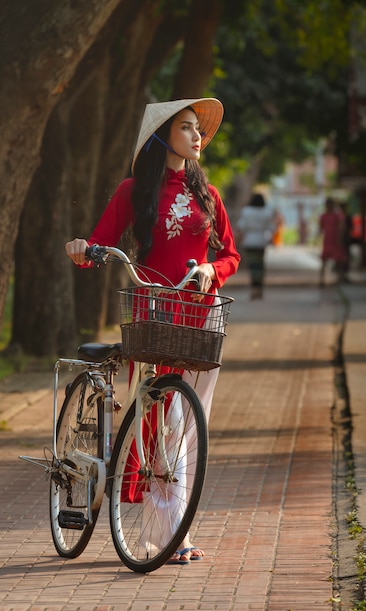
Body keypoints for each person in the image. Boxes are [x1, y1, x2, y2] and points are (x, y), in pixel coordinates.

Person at [65, 97, 240, 563]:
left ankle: (174, 531)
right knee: (162, 420)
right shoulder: (133, 191)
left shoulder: (209, 194)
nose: (198, 136)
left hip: (198, 319)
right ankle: (169, 538)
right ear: (163, 136)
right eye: (187, 128)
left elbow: (231, 255)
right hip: (153, 315)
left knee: (187, 428)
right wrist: (83, 247)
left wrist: (210, 270)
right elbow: (99, 244)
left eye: (198, 129)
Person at [236, 192, 276, 300]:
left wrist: (238, 240)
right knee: (260, 265)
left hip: (249, 241)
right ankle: (260, 289)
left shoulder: (247, 211)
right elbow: (272, 228)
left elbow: (241, 227)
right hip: (262, 240)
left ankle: (254, 290)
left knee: (253, 266)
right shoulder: (266, 212)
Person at [318, 196, 347, 286]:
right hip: (328, 240)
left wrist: (340, 238)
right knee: (324, 260)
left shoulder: (338, 215)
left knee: (339, 260)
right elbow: (321, 228)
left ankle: (339, 278)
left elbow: (342, 227)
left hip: (335, 240)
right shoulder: (324, 216)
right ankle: (322, 281)